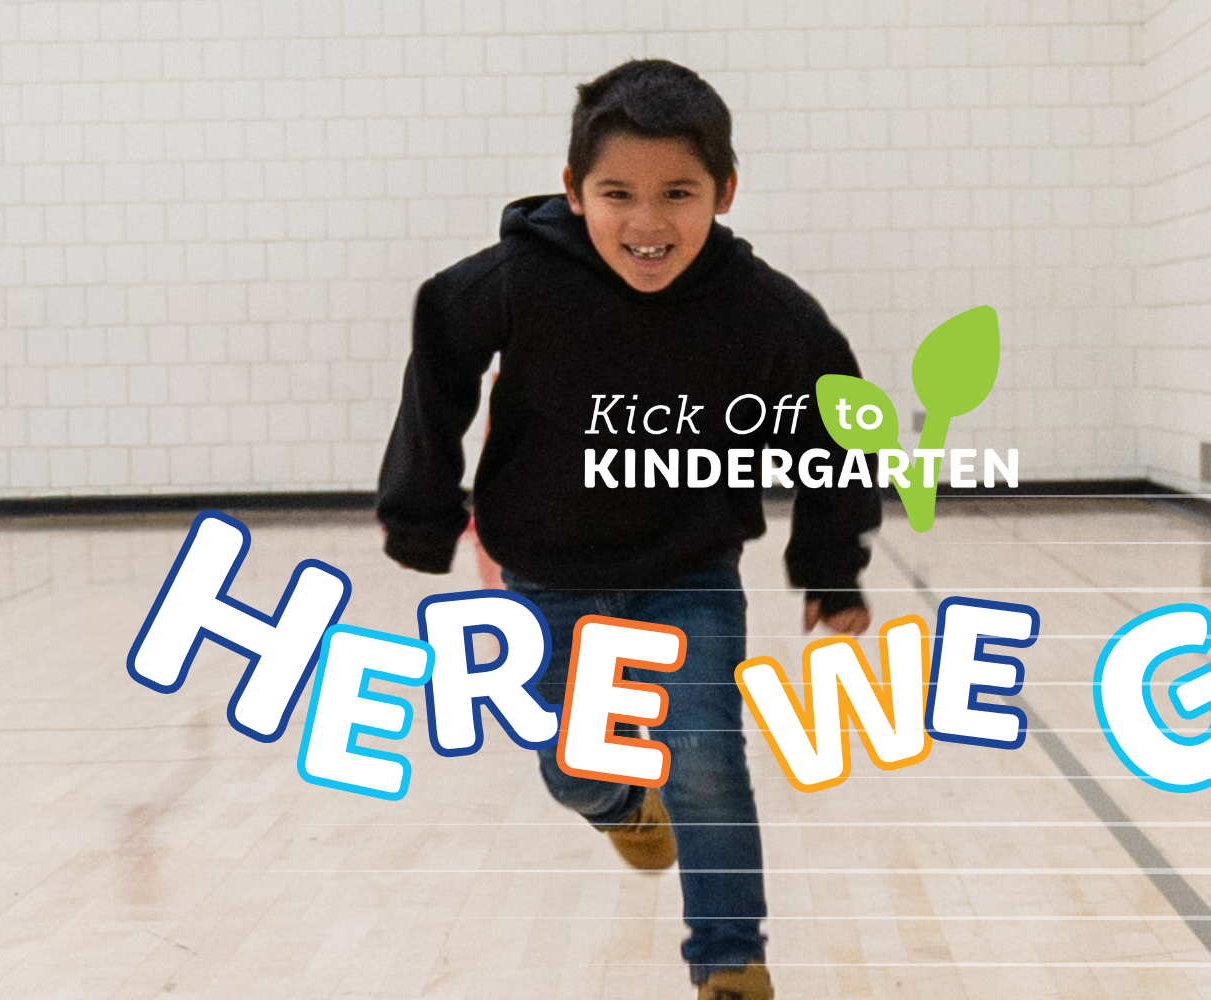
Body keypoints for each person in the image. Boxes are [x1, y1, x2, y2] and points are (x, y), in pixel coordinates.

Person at [373, 59, 881, 1000]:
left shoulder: (765, 312)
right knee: (572, 767)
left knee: (707, 762)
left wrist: (830, 568)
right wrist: (422, 508)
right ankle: (618, 801)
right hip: (546, 573)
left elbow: (841, 423)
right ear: (574, 192)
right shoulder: (522, 278)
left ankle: (730, 963)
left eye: (678, 194)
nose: (647, 224)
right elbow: (440, 324)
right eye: (617, 195)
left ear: (723, 192)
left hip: (688, 569)